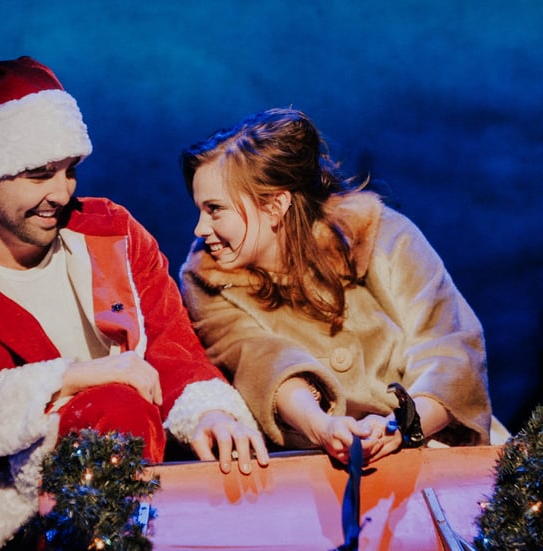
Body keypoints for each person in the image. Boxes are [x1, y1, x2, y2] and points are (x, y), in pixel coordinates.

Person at [0, 56, 269, 551]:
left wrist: (210, 412)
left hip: (134, 507)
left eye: (70, 171)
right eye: (40, 174)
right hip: (0, 525)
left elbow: (173, 350)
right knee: (117, 403)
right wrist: (75, 378)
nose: (61, 192)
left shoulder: (113, 233)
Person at [179, 107, 506, 467]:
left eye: (214, 210)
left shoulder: (380, 233)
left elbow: (449, 348)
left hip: (430, 447)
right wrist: (323, 427)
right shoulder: (208, 280)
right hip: (313, 465)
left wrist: (402, 429)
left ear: (274, 206)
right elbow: (258, 360)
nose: (200, 229)